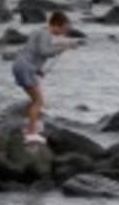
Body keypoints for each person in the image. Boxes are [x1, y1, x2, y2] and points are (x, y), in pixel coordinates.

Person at [12, 10, 76, 143]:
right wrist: (62, 48)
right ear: (57, 24)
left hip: (21, 65)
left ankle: (31, 127)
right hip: (25, 68)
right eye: (64, 28)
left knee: (36, 99)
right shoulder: (46, 34)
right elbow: (44, 51)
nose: (64, 32)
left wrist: (38, 70)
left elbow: (33, 52)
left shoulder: (39, 32)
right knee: (38, 101)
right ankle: (31, 134)